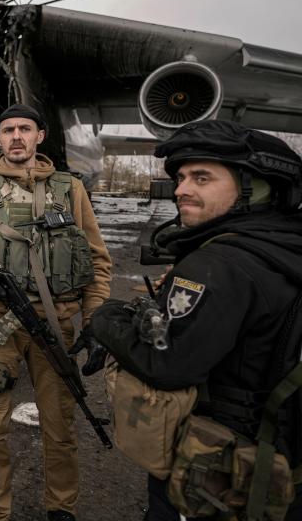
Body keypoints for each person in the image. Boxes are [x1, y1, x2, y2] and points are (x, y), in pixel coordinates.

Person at [91, 119, 302, 520]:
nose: (182, 189)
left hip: (221, 476)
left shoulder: (218, 264)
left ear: (254, 188)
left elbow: (166, 364)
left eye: (201, 178)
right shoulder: (283, 249)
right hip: (281, 465)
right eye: (182, 177)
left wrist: (105, 318)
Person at [0, 103, 112, 521]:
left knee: (60, 425)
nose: (16, 136)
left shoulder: (71, 189)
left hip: (57, 323)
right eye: (8, 130)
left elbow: (97, 261)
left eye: (24, 129)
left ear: (39, 136)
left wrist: (95, 319)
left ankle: (61, 508)